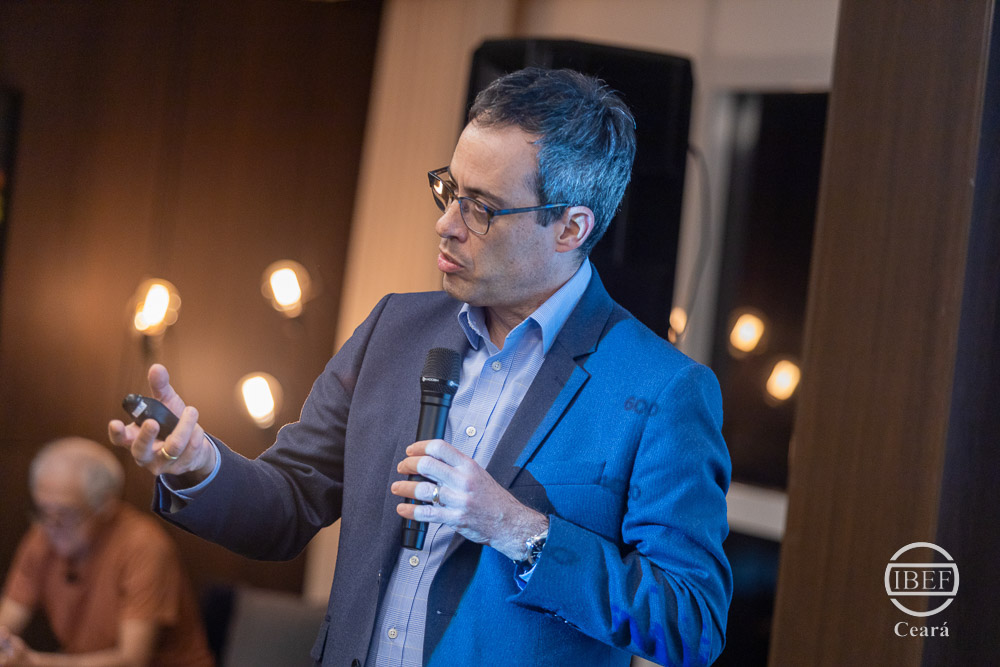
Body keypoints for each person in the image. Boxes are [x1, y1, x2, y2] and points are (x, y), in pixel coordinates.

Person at [108, 67, 732, 666]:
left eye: (481, 208)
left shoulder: (663, 389)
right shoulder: (393, 328)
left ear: (570, 228)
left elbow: (692, 621)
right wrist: (200, 467)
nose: (446, 224)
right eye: (450, 190)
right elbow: (290, 500)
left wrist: (516, 528)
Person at [0, 438, 214, 667]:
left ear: (105, 505)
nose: (52, 526)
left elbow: (131, 660)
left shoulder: (143, 545)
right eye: (43, 511)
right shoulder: (43, 534)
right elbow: (7, 622)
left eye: (66, 514)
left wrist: (33, 663)